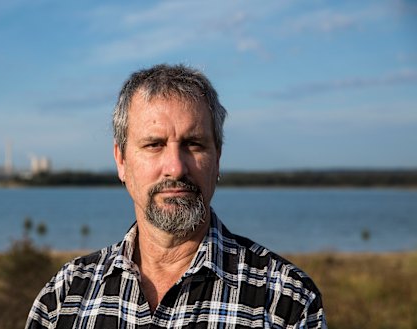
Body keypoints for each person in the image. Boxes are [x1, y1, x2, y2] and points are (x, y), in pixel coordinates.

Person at [25, 64, 326, 328]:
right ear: (121, 161)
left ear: (217, 158)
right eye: (154, 144)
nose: (176, 167)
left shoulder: (285, 301)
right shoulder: (66, 297)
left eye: (194, 144)